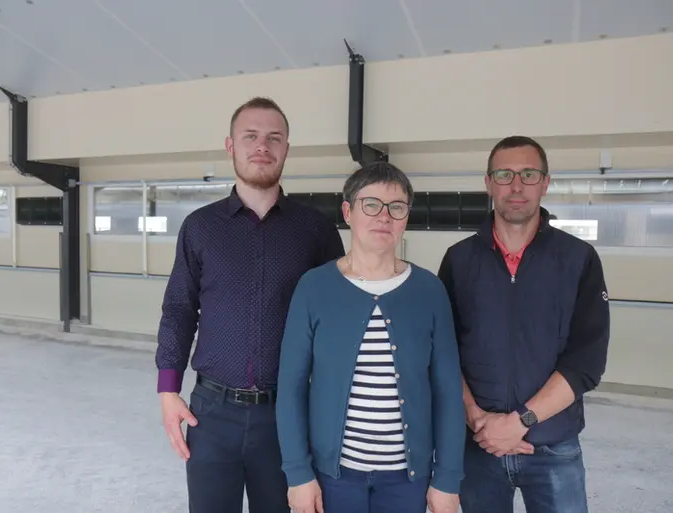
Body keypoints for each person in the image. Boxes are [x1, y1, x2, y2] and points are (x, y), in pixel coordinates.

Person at [155, 96, 346, 513]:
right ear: (230, 146)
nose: (263, 146)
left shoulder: (314, 230)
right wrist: (168, 390)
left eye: (274, 138)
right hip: (211, 414)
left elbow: (336, 322)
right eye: (251, 136)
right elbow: (178, 310)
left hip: (288, 416)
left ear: (286, 150)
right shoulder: (200, 228)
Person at [276, 162, 465, 513]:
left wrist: (447, 479)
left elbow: (448, 389)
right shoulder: (314, 288)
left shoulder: (429, 290)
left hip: (408, 481)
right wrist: (298, 474)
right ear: (348, 211)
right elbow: (291, 386)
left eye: (397, 207)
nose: (385, 216)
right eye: (371, 204)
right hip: (334, 477)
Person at [437, 135, 611, 513]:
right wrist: (478, 420)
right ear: (488, 183)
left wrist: (520, 422)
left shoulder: (578, 259)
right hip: (477, 449)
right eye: (505, 174)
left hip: (553, 448)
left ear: (545, 183)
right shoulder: (459, 260)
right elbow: (443, 352)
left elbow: (587, 361)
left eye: (528, 174)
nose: (516, 186)